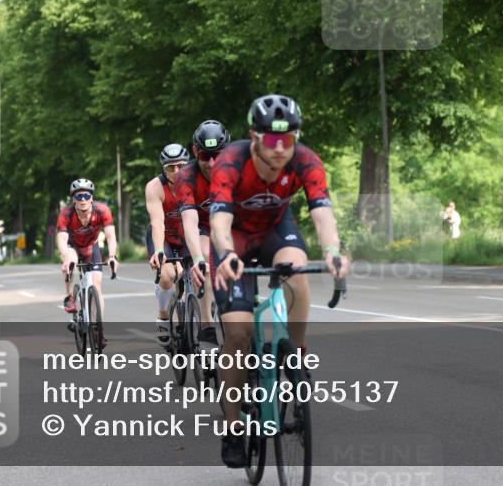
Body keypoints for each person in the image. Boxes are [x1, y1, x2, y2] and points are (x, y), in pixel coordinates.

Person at [209, 94, 349, 468]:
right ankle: (234, 425)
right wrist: (225, 254)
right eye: (272, 140)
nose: (280, 149)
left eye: (288, 140)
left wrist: (333, 251)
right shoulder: (230, 161)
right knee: (237, 335)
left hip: (275, 230)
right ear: (254, 137)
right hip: (234, 238)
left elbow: (322, 213)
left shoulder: (306, 160)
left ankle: (296, 352)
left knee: (298, 269)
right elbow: (219, 221)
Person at [178, 120, 233, 346]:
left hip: (229, 224)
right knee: (208, 261)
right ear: (194, 151)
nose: (211, 163)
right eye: (204, 156)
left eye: (217, 155)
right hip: (200, 227)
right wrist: (198, 258)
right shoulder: (186, 176)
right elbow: (189, 222)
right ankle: (207, 326)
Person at [57, 179, 119, 346]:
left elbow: (111, 236)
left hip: (92, 247)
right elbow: (62, 238)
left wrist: (112, 256)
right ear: (74, 199)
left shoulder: (102, 210)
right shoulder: (66, 214)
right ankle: (70, 296)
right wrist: (65, 256)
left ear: (92, 197)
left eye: (86, 195)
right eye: (79, 196)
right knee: (71, 263)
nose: (83, 199)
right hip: (73, 246)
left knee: (97, 285)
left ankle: (98, 328)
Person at [144, 143, 193, 348]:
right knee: (167, 275)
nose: (176, 171)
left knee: (201, 274)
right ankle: (164, 317)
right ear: (163, 169)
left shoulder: (196, 183)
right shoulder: (155, 187)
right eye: (170, 167)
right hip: (163, 236)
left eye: (181, 166)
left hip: (188, 236)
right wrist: (160, 251)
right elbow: (157, 222)